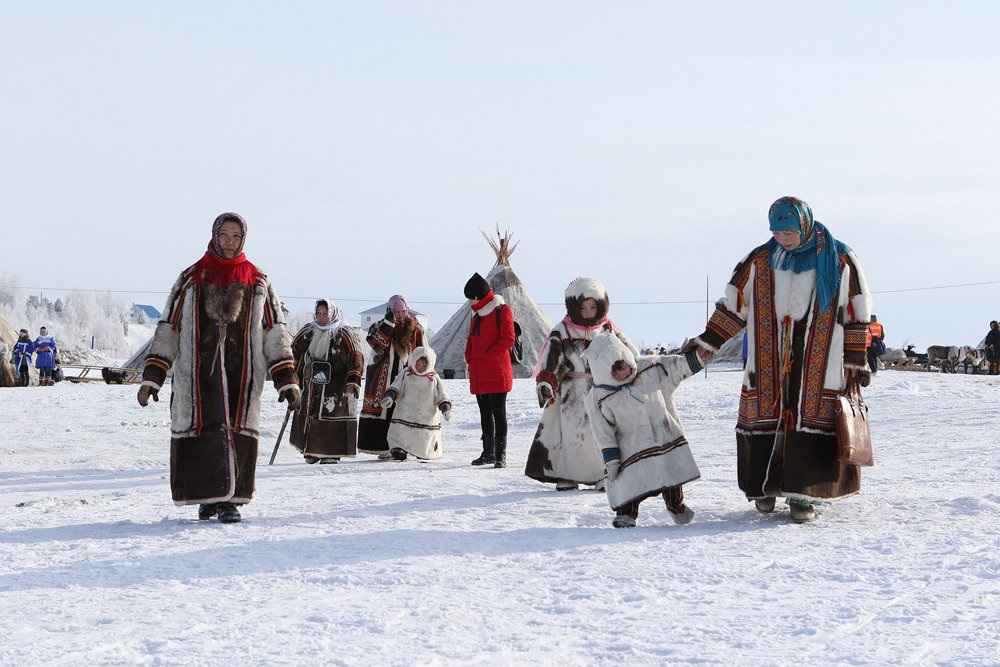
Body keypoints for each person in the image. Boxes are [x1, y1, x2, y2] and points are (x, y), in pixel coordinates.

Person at [686, 196, 873, 523]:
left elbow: (858, 309)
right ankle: (765, 489)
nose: (782, 238)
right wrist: (710, 341)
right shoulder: (760, 259)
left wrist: (855, 357)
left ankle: (805, 496)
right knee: (766, 415)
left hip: (821, 358)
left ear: (804, 223)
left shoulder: (840, 259)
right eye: (776, 231)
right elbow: (734, 304)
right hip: (769, 357)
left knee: (813, 419)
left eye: (788, 231)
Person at [137, 212, 300, 524]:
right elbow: (169, 327)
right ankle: (208, 498)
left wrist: (286, 378)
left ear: (244, 239)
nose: (229, 242)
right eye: (224, 235)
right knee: (203, 429)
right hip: (198, 375)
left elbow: (274, 331)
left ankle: (228, 500)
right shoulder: (191, 279)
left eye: (236, 236)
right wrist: (153, 376)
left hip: (243, 375)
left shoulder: (258, 282)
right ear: (214, 236)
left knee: (234, 429)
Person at [584, 332, 713, 528]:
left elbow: (675, 367)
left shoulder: (650, 369)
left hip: (663, 435)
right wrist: (611, 459)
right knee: (628, 482)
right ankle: (626, 514)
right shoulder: (599, 398)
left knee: (671, 472)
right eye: (615, 372)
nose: (623, 374)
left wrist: (697, 359)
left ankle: (675, 505)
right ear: (602, 372)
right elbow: (602, 431)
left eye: (624, 367)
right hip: (630, 447)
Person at [524, 277, 638, 491]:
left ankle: (602, 474)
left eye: (593, 307)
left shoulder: (609, 330)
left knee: (602, 433)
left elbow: (631, 356)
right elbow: (551, 360)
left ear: (602, 306)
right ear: (573, 307)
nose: (588, 312)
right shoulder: (563, 331)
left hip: (604, 390)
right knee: (572, 434)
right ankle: (567, 475)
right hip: (572, 392)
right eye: (583, 307)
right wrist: (547, 383)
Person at [289, 299, 364, 464]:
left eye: (325, 314)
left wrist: (353, 380)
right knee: (312, 413)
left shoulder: (344, 334)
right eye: (319, 314)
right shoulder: (307, 332)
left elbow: (356, 358)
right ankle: (311, 450)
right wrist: (290, 375)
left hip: (335, 386)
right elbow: (293, 353)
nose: (322, 317)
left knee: (330, 415)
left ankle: (330, 453)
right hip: (311, 384)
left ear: (332, 314)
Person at [359, 294, 425, 459]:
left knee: (404, 410)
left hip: (407, 376)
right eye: (396, 312)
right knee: (385, 409)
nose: (400, 316)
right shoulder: (379, 326)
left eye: (402, 312)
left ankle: (404, 448)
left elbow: (422, 353)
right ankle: (383, 448)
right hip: (383, 377)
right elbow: (377, 346)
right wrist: (389, 324)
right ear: (389, 312)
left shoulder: (415, 329)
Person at [464, 272, 515, 468]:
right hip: (478, 370)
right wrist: (469, 356)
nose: (469, 302)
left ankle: (500, 454)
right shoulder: (477, 314)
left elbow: (508, 339)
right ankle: (488, 452)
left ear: (477, 297)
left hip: (496, 370)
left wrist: (488, 355)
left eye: (470, 298)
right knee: (484, 413)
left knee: (499, 412)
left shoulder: (502, 311)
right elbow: (471, 338)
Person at [380, 346, 452, 461]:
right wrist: (390, 397)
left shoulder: (433, 378)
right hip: (405, 412)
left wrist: (446, 409)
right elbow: (396, 386)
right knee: (400, 434)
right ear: (413, 361)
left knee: (423, 439)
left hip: (425, 416)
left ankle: (423, 452)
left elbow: (442, 395)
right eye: (418, 365)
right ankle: (399, 450)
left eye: (424, 366)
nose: (421, 368)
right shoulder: (406, 374)